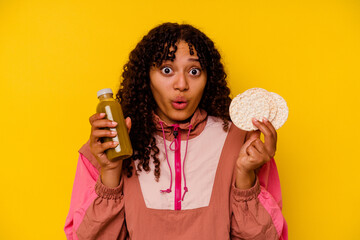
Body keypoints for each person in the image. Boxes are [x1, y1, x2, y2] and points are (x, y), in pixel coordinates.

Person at [64, 22, 288, 240]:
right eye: (167, 70)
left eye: (194, 70)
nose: (181, 84)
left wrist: (245, 176)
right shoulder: (110, 144)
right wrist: (111, 171)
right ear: (146, 77)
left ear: (208, 78)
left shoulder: (243, 143)